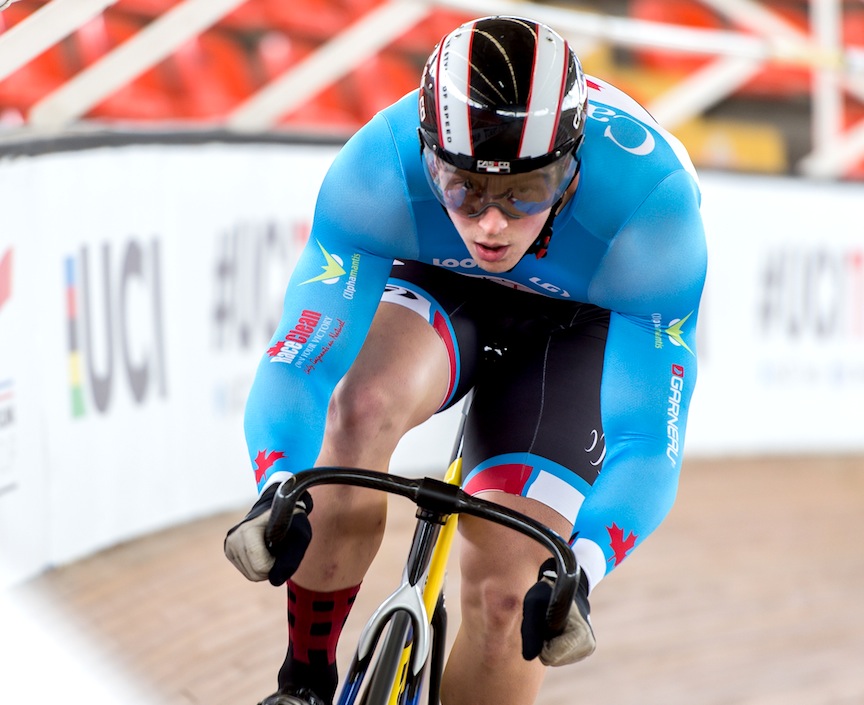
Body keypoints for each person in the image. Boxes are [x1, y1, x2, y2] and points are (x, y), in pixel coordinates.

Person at [225, 14, 707, 705]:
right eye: (463, 190)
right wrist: (278, 484)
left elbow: (646, 442)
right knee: (358, 410)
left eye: (525, 193)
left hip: (581, 326)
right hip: (445, 285)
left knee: (511, 595)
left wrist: (584, 568)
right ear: (428, 159)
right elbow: (301, 360)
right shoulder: (379, 167)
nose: (490, 224)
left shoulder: (650, 212)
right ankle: (304, 679)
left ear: (571, 171)